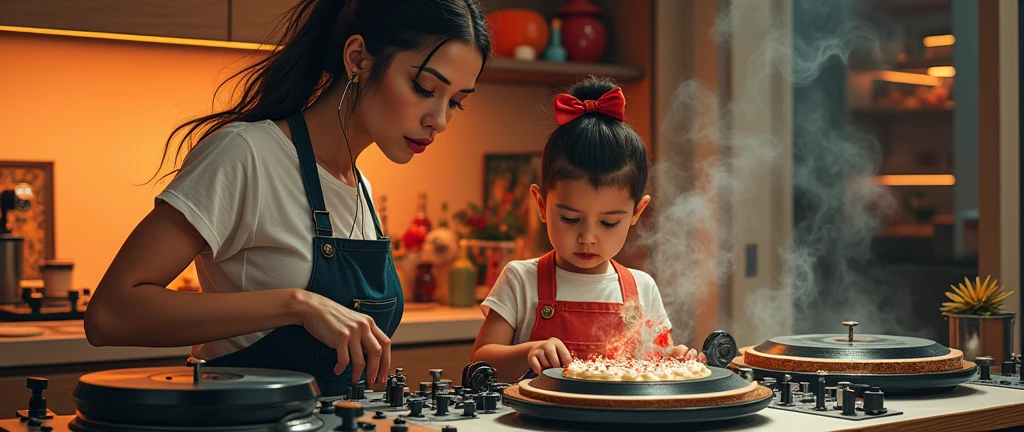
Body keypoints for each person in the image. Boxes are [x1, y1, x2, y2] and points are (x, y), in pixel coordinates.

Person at [84, 0, 492, 396]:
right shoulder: (247, 154)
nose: (439, 120)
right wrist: (298, 305)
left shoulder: (360, 189)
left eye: (455, 102)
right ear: (358, 58)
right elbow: (111, 314)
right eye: (424, 88)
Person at [471, 77, 707, 382]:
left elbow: (659, 359)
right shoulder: (520, 280)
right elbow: (479, 363)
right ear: (541, 205)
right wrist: (527, 351)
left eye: (609, 223)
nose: (588, 237)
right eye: (571, 219)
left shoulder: (642, 288)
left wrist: (675, 358)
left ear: (637, 212)